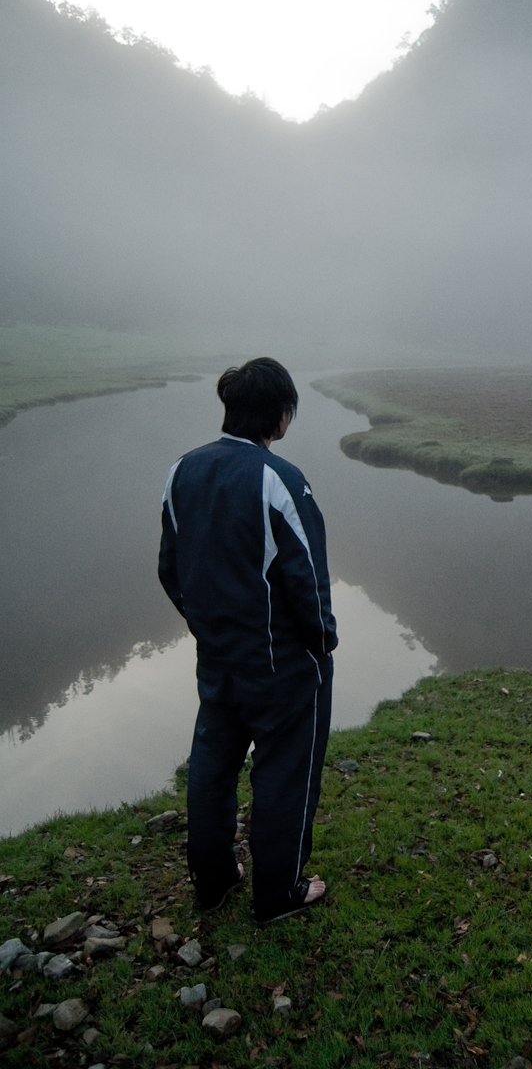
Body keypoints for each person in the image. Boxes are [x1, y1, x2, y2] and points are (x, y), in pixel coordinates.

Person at [158, 357, 337, 923]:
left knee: (212, 766)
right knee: (284, 771)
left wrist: (205, 625)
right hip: (279, 664)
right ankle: (277, 894)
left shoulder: (181, 471)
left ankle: (212, 882)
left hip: (216, 658)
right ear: (280, 417)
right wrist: (322, 643)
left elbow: (170, 569)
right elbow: (306, 576)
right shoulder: (279, 478)